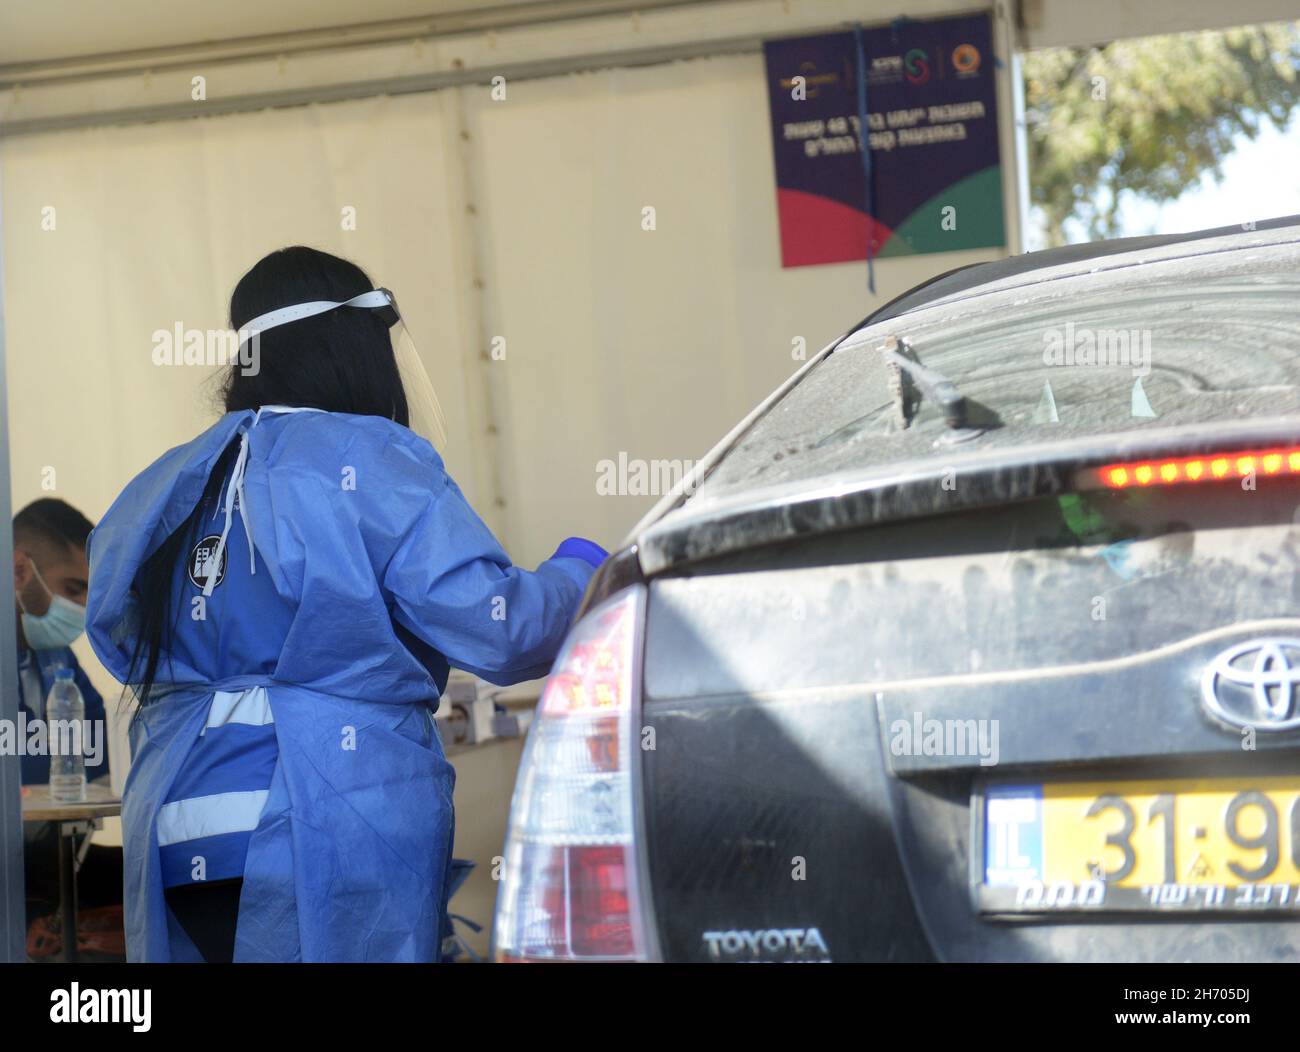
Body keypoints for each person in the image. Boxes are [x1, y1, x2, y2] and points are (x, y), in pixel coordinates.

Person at [86, 246, 606, 963]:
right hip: (323, 814)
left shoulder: (168, 480)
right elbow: (503, 630)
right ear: (352, 347)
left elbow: (115, 627)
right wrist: (583, 573)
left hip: (174, 819)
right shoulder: (372, 459)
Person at [12, 498, 121, 946]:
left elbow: (107, 758)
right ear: (19, 570)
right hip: (14, 878)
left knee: (157, 876)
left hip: (48, 864)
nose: (83, 609)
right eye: (73, 588)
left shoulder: (60, 660)